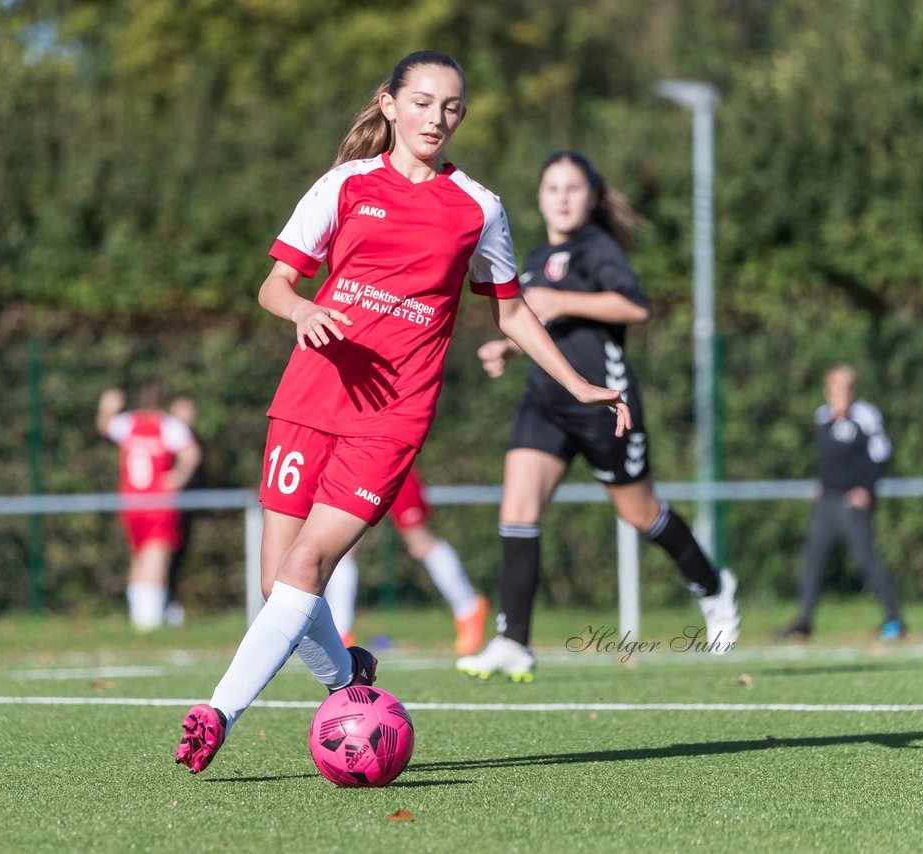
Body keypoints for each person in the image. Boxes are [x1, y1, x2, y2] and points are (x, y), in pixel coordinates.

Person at [174, 51, 631, 775]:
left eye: (450, 107)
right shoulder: (344, 185)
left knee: (306, 565)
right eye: (421, 102)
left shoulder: (478, 207)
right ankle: (347, 680)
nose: (436, 119)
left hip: (391, 415)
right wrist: (304, 309)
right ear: (389, 105)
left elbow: (510, 315)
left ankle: (215, 712)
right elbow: (274, 286)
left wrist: (577, 383)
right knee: (277, 587)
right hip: (307, 397)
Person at [455, 150, 740, 683]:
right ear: (539, 197)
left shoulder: (598, 249)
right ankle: (514, 640)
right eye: (552, 188)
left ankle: (713, 587)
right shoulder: (536, 256)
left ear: (590, 198)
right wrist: (508, 349)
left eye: (573, 188)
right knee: (518, 506)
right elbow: (535, 325)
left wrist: (564, 301)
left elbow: (636, 307)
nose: (562, 197)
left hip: (606, 405)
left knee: (641, 514)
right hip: (545, 402)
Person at [780, 365, 904, 641]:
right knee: (813, 560)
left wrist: (865, 489)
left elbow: (881, 455)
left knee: (866, 560)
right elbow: (828, 460)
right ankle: (803, 622)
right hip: (827, 502)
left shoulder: (866, 416)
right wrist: (822, 486)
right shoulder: (822, 417)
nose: (841, 394)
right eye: (836, 388)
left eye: (846, 388)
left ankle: (895, 620)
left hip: (853, 504)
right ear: (828, 391)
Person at [323, 466, 490, 654]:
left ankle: (469, 609)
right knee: (344, 546)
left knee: (419, 541)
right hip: (358, 467)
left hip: (394, 465)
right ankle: (341, 634)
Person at [96, 384, 202, 631]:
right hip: (146, 505)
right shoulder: (163, 425)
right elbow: (192, 453)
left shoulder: (132, 423)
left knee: (147, 559)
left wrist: (106, 407)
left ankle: (145, 622)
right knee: (148, 560)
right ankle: (146, 623)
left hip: (145, 504)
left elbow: (104, 425)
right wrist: (177, 477)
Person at [163, 395, 204, 627]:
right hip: (167, 511)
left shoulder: (195, 439)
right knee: (164, 559)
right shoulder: (171, 438)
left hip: (187, 511)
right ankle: (161, 607)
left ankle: (169, 605)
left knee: (177, 558)